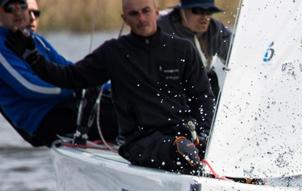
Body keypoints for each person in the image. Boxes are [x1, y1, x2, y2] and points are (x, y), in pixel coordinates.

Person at [6, 0, 214, 172]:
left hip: (182, 135)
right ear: (125, 19)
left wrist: (205, 133)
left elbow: (202, 97)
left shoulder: (182, 50)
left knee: (207, 147)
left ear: (156, 13)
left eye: (145, 12)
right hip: (140, 141)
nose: (141, 19)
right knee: (182, 150)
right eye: (134, 14)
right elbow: (69, 76)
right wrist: (33, 59)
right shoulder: (113, 52)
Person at [0, 0, 77, 146]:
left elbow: (68, 69)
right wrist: (75, 90)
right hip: (44, 120)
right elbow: (29, 87)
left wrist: (105, 84)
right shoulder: (1, 46)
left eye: (22, 6)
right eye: (10, 8)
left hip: (66, 107)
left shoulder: (38, 40)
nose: (17, 12)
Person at [157, 0, 231, 96]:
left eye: (209, 12)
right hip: (167, 85)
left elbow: (238, 55)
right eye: (197, 11)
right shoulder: (161, 27)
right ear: (182, 11)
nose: (204, 18)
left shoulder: (215, 30)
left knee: (210, 79)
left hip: (202, 82)